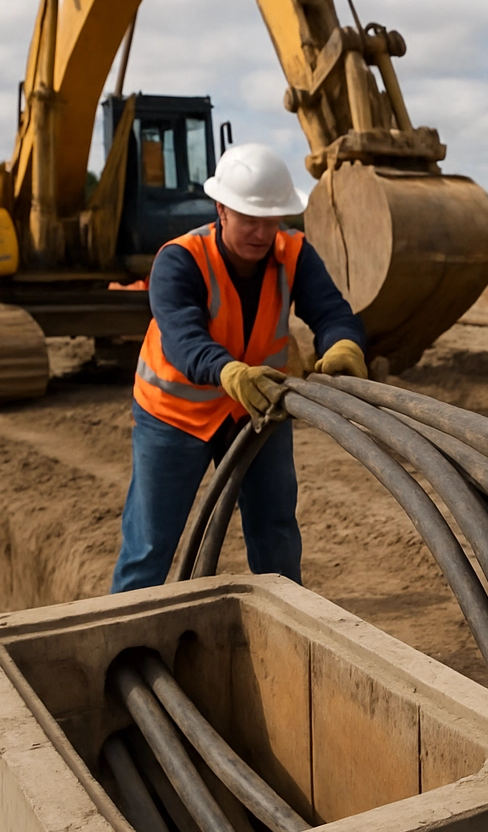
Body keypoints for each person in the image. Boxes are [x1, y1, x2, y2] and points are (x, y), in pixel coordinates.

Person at [112, 142, 366, 593]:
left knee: (277, 537)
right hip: (175, 417)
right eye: (250, 219)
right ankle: (122, 648)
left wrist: (343, 343)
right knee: (150, 547)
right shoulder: (180, 260)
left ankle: (290, 633)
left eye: (272, 220)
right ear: (221, 211)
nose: (262, 233)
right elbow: (185, 338)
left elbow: (330, 311)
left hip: (255, 411)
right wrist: (230, 372)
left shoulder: (294, 254)